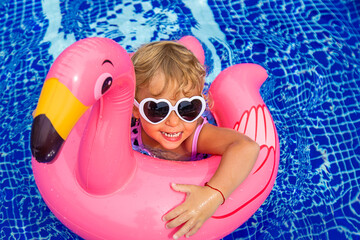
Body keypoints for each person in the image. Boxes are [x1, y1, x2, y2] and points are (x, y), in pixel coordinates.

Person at [131, 40, 259, 239]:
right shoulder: (127, 123)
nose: (174, 122)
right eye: (157, 109)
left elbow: (246, 147)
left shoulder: (193, 137)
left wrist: (212, 195)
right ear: (135, 109)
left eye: (187, 107)